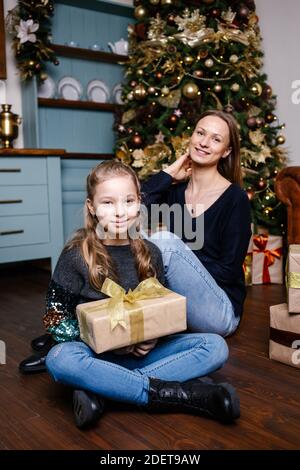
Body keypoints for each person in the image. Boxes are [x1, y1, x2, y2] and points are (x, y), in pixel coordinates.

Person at [41, 160, 239, 428]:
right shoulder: (77, 254)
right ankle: (171, 394)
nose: (120, 211)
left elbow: (159, 312)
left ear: (139, 202)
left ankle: (105, 391)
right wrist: (97, 340)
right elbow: (54, 318)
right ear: (91, 207)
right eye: (108, 203)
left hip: (143, 355)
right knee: (59, 359)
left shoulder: (151, 253)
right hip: (96, 356)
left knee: (215, 346)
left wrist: (154, 339)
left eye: (129, 200)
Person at [142, 109, 252, 337]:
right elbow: (131, 211)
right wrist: (170, 173)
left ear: (226, 151)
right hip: (177, 305)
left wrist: (181, 261)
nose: (204, 143)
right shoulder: (174, 192)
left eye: (216, 139)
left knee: (164, 241)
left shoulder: (235, 199)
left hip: (220, 311)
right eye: (200, 133)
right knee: (131, 236)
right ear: (190, 137)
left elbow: (228, 271)